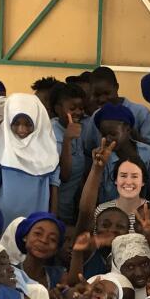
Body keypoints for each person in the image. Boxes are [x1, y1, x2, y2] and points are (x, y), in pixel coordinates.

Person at [0, 93, 61, 225]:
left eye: (28, 124)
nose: (21, 129)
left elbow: (53, 192)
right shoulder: (3, 148)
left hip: (36, 223)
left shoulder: (48, 153)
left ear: (38, 122)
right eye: (16, 123)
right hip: (2, 219)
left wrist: (52, 221)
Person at [81, 66, 150, 150]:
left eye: (107, 93)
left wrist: (134, 137)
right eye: (97, 95)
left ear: (116, 87)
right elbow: (88, 152)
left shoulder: (141, 113)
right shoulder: (95, 117)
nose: (102, 99)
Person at [51, 82, 89, 223]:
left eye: (81, 108)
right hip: (57, 210)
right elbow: (64, 176)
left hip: (71, 206)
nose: (78, 112)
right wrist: (67, 140)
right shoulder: (53, 134)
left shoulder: (76, 128)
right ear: (58, 109)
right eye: (72, 108)